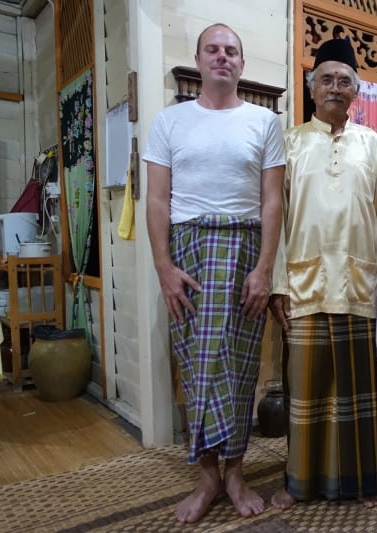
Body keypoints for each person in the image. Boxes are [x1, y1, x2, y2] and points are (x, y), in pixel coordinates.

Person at [143, 23, 285, 523]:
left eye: (231, 51)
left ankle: (235, 471)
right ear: (199, 60)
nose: (222, 57)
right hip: (189, 251)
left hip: (245, 248)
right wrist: (164, 267)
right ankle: (207, 475)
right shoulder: (170, 121)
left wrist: (265, 269)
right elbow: (157, 199)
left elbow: (272, 201)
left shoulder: (264, 122)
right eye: (213, 50)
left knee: (241, 367)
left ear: (242, 65)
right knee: (197, 365)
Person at [269, 38, 377, 510]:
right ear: (311, 86)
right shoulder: (291, 142)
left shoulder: (371, 143)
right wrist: (279, 282)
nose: (335, 88)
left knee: (357, 393)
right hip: (304, 283)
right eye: (326, 79)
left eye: (344, 80)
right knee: (307, 392)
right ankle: (299, 482)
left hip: (358, 285)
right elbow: (275, 217)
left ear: (356, 90)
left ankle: (358, 482)